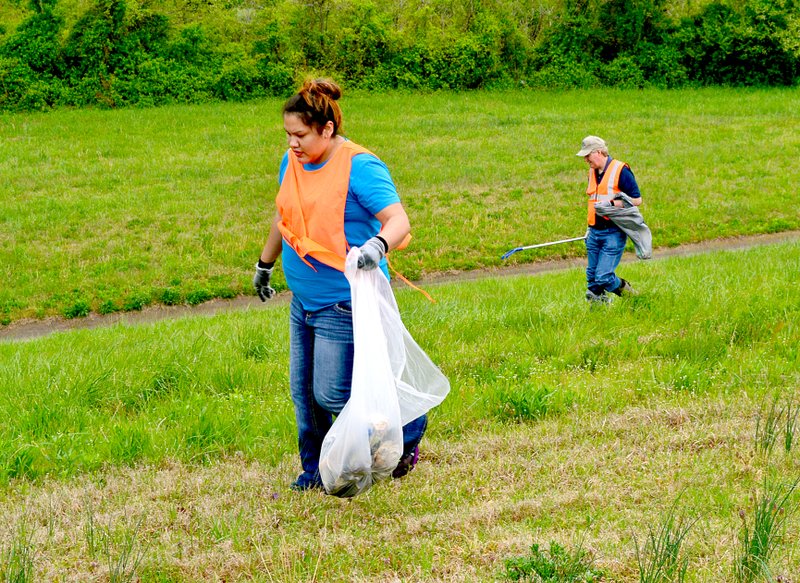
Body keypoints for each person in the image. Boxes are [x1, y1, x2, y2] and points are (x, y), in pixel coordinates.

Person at [253, 78, 426, 491]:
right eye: (288, 135)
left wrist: (377, 245)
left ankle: (408, 422)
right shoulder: (292, 161)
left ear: (326, 129)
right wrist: (265, 263)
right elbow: (285, 217)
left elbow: (398, 220)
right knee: (305, 398)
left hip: (343, 302)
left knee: (333, 395)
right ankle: (315, 473)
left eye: (301, 135)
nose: (292, 144)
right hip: (304, 301)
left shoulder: (360, 166)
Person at [576, 135, 643, 303]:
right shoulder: (592, 172)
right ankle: (598, 315)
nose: (585, 159)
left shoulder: (621, 170)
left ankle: (633, 297)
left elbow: (637, 200)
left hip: (613, 233)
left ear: (599, 152)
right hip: (593, 232)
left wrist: (612, 203)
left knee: (603, 277)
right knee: (592, 280)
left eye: (587, 155)